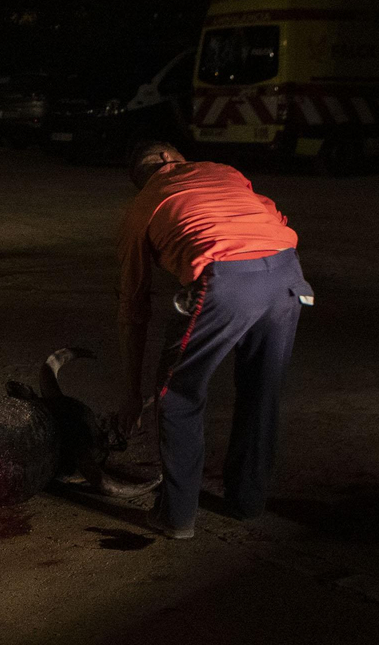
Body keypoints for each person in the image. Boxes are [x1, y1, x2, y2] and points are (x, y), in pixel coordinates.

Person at [113, 141, 311, 540]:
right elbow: (274, 218)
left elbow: (133, 310)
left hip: (225, 279)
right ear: (171, 160)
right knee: (262, 390)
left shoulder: (142, 206)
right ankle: (248, 501)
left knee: (178, 395)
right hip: (289, 276)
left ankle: (177, 516)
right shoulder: (226, 172)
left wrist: (133, 395)